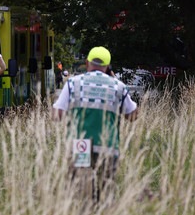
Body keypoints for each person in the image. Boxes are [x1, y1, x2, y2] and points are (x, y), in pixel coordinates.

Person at [53, 46, 138, 204]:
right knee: (105, 193)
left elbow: (57, 114)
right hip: (108, 145)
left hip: (81, 144)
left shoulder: (73, 83)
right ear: (107, 66)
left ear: (87, 63)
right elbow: (132, 115)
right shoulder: (118, 86)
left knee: (82, 192)